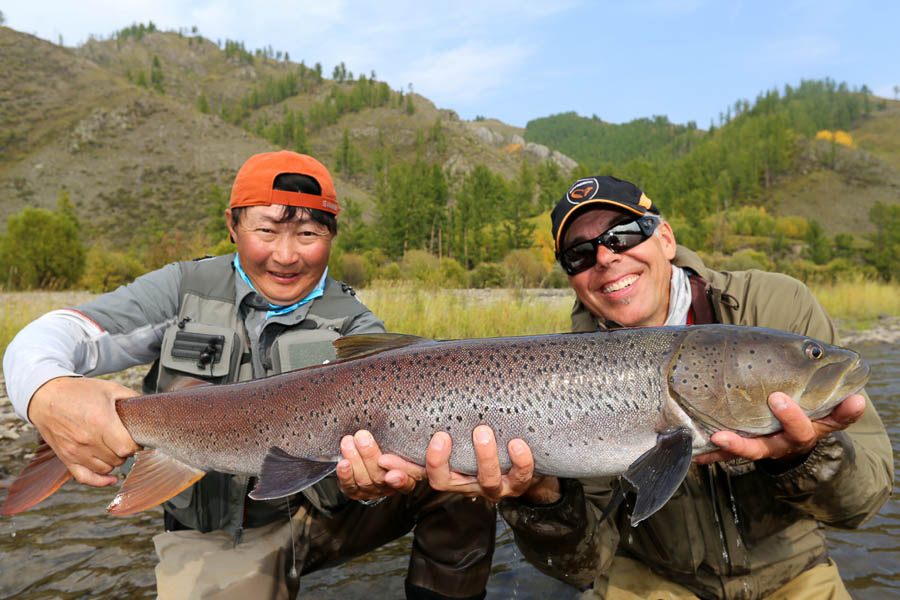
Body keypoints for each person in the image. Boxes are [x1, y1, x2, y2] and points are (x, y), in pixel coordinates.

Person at [341, 175, 894, 599]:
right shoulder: (559, 372)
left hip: (794, 575)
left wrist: (799, 455)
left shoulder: (774, 306)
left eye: (623, 235)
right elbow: (583, 564)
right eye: (579, 254)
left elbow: (862, 506)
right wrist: (538, 495)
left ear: (666, 237)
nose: (606, 258)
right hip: (646, 579)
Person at [3, 150, 495, 600]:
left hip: (324, 511)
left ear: (331, 236)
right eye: (267, 231)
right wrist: (47, 394)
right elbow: (54, 335)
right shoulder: (182, 288)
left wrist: (370, 485)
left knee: (466, 481)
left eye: (308, 234)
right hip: (217, 532)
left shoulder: (356, 325)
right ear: (232, 225)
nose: (286, 255)